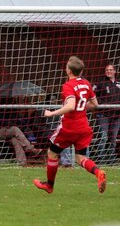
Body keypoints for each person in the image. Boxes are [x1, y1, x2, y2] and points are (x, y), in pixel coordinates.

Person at [33, 56, 106, 194]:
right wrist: (82, 107)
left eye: (67, 66)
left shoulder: (68, 85)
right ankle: (98, 172)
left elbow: (71, 106)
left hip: (69, 127)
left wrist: (51, 113)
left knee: (52, 153)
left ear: (70, 71)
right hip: (84, 127)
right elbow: (95, 104)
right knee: (81, 158)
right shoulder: (86, 83)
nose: (65, 68)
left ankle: (49, 185)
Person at [92, 63, 120, 163]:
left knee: (112, 138)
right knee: (103, 137)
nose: (109, 71)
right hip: (103, 114)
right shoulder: (100, 83)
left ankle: (110, 158)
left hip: (116, 116)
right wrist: (104, 104)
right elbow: (93, 96)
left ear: (115, 71)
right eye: (107, 70)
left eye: (111, 70)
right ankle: (100, 158)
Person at [0, 98, 42, 166]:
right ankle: (31, 149)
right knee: (15, 129)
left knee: (15, 140)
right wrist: (12, 124)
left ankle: (22, 162)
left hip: (12, 133)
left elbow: (20, 122)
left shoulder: (13, 111)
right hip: (0, 132)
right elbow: (1, 122)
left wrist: (20, 121)